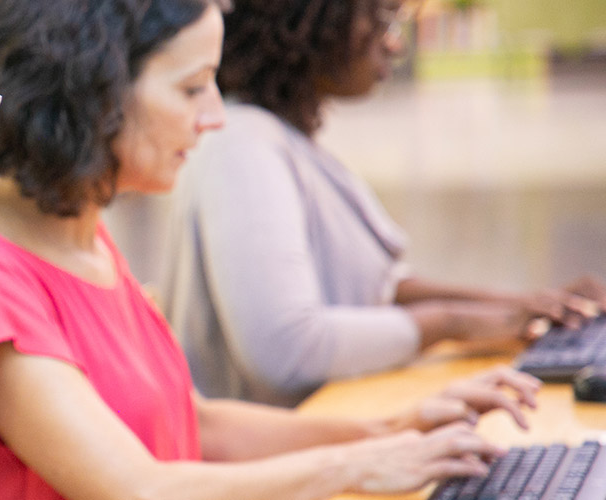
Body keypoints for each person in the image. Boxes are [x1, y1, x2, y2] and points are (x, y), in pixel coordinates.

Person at [0, 0, 542, 499]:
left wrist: (401, 428)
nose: (215, 116)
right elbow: (137, 485)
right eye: (192, 86)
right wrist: (361, 464)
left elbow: (196, 425)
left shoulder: (80, 236)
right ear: (96, 95)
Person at [155, 0, 606, 407]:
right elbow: (284, 350)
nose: (394, 43)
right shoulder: (242, 145)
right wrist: (453, 323)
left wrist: (526, 304)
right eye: (381, 16)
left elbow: (376, 287)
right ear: (311, 18)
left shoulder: (282, 140)